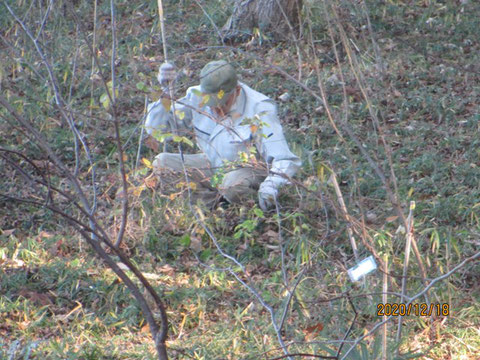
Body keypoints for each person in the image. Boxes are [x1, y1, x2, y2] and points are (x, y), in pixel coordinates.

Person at [145, 60, 301, 211]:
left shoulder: (260, 108)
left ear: (237, 90)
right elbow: (157, 129)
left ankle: (249, 211)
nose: (217, 110)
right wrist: (165, 93)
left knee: (231, 183)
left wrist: (270, 187)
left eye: (223, 103)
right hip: (212, 165)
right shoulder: (195, 96)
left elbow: (284, 159)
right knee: (163, 163)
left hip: (249, 173)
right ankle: (212, 209)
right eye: (212, 105)